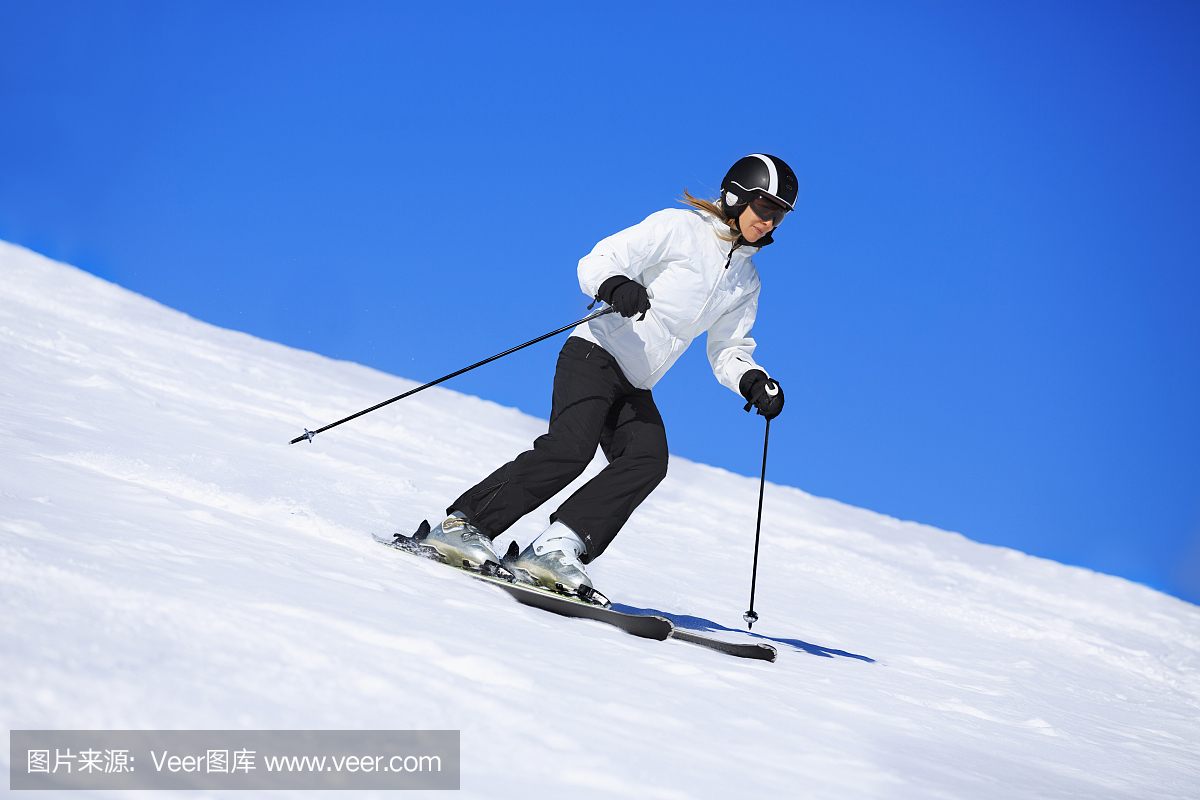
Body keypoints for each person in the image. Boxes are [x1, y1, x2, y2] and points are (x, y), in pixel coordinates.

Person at [421, 154, 795, 601]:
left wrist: (752, 379)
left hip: (635, 383)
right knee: (569, 450)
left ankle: (557, 548)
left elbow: (729, 349)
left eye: (780, 215)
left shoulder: (746, 280)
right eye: (765, 208)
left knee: (648, 459)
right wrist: (616, 284)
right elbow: (600, 259)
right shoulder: (680, 229)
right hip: (594, 354)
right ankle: (464, 524)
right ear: (735, 197)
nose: (770, 222)